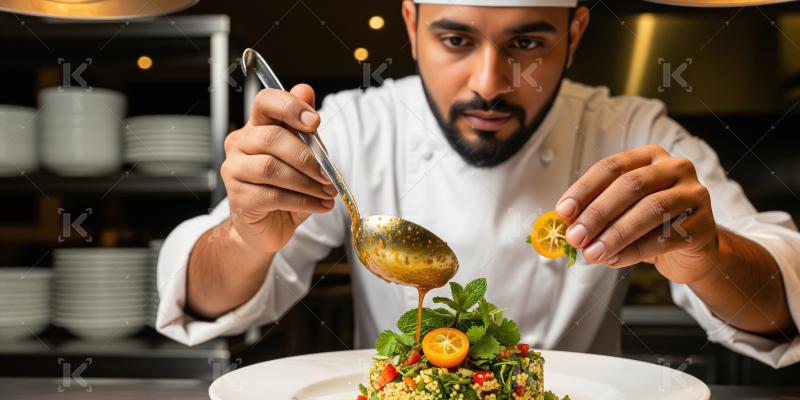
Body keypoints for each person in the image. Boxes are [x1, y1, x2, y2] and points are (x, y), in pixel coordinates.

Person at [156, 0, 800, 368]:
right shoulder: (347, 130)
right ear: (411, 26)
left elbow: (782, 300)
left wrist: (707, 257)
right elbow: (204, 304)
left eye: (527, 42)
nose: (491, 82)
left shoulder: (631, 129)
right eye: (456, 39)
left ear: (574, 35)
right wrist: (245, 237)